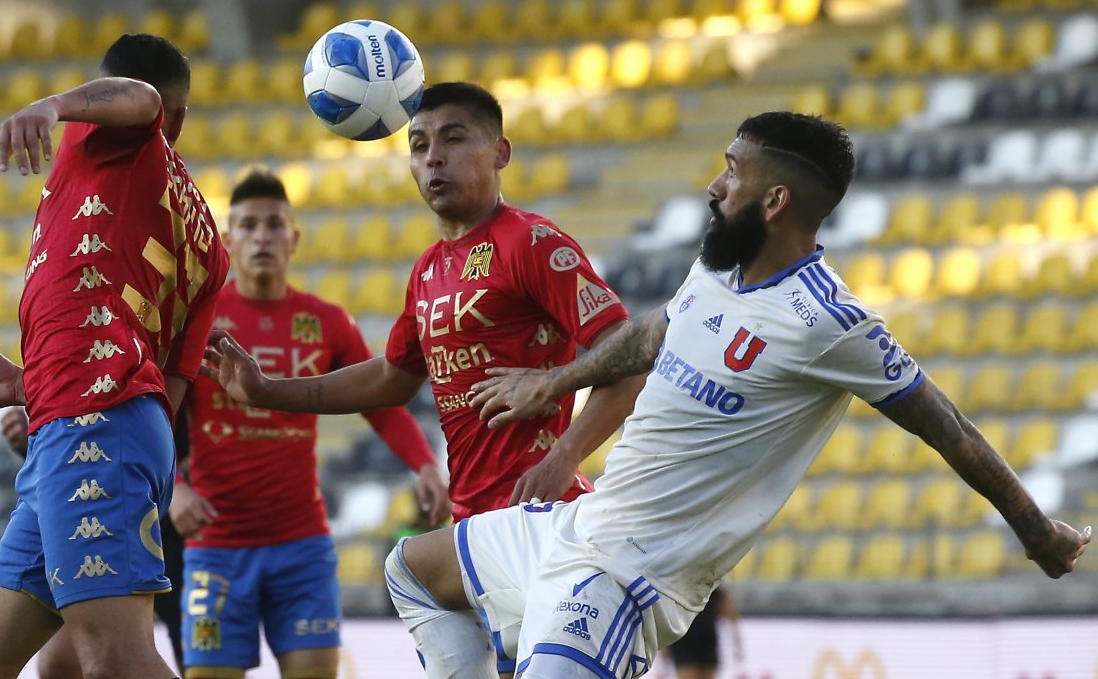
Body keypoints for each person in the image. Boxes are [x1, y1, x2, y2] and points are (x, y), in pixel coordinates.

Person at [362, 111, 1083, 679]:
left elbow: (947, 426)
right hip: (571, 531)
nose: (715, 185)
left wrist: (1037, 531)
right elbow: (649, 335)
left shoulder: (830, 324)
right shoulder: (718, 271)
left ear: (774, 199)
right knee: (412, 570)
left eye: (731, 171)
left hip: (626, 578)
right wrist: (553, 381)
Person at [200, 81, 646, 676]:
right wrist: (266, 391)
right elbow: (392, 378)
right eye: (418, 144)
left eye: (454, 138)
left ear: (501, 153)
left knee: (407, 569)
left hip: (539, 516)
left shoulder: (531, 243)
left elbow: (627, 356)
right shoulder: (428, 271)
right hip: (474, 528)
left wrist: (564, 454)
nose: (433, 156)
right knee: (409, 569)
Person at [0, 33, 229, 679]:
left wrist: (52, 104)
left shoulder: (113, 133)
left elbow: (139, 97)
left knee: (114, 659)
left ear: (166, 118)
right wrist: (31, 383)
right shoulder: (210, 246)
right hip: (92, 419)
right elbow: (172, 376)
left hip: (95, 423)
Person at [165, 166, 450, 679]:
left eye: (274, 224)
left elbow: (381, 401)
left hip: (302, 547)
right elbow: (158, 409)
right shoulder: (198, 319)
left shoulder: (325, 321)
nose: (262, 237)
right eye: (248, 226)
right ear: (228, 240)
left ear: (293, 238)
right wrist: (174, 490)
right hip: (215, 547)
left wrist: (426, 464)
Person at [0, 406, 189, 678]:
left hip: (168, 500)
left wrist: (180, 480)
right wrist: (37, 421)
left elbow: (174, 390)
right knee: (63, 664)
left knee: (122, 661)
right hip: (89, 478)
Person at [662, 586, 741, 679]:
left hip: (707, 639)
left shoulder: (715, 579)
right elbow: (669, 609)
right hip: (684, 640)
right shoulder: (679, 580)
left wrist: (736, 639)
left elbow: (726, 606)